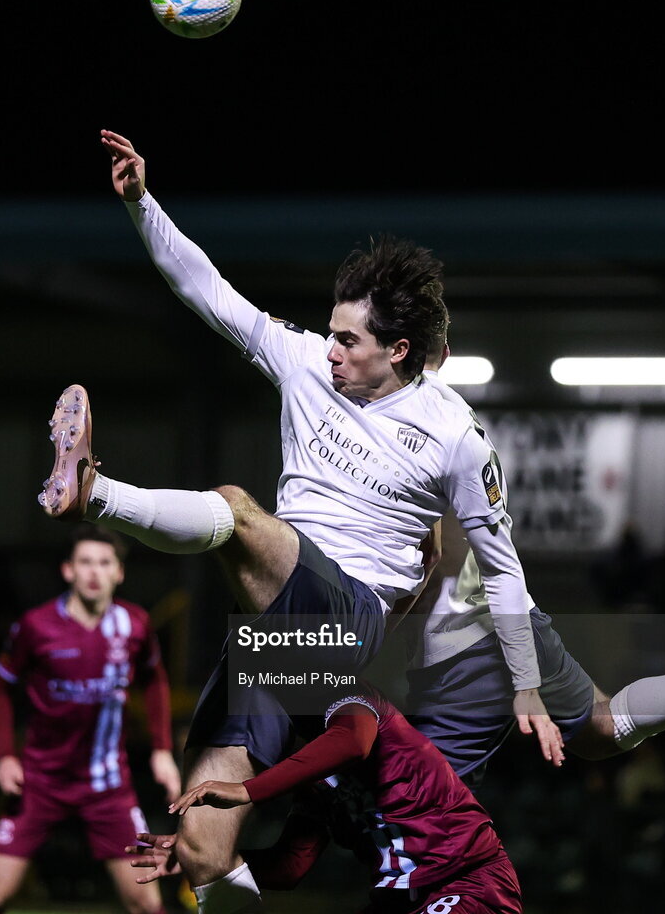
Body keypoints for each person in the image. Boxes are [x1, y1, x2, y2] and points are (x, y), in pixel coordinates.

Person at [35, 128, 561, 912]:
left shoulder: (453, 434)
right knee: (204, 851)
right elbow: (207, 291)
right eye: (332, 332)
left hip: (349, 623)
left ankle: (96, 492)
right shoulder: (309, 366)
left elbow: (501, 558)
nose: (332, 352)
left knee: (239, 513)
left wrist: (527, 687)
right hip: (274, 644)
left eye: (349, 341)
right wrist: (142, 203)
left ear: (400, 350)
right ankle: (94, 491)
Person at [402, 329, 665, 785]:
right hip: (506, 618)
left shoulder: (395, 423)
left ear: (391, 350)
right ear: (445, 353)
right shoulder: (458, 419)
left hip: (460, 644)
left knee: (415, 811)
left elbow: (437, 552)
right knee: (604, 726)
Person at [131, 684, 523, 914]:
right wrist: (196, 854)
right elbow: (290, 866)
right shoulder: (315, 783)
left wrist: (247, 788)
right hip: (396, 900)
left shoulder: (353, 699)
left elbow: (353, 740)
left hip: (468, 880)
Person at [0, 524, 180, 914]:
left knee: (147, 903)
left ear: (119, 572)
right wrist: (4, 756)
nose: (94, 572)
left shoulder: (135, 625)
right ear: (68, 570)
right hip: (39, 780)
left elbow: (155, 680)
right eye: (85, 562)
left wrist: (162, 749)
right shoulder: (36, 626)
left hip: (108, 786)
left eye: (104, 563)